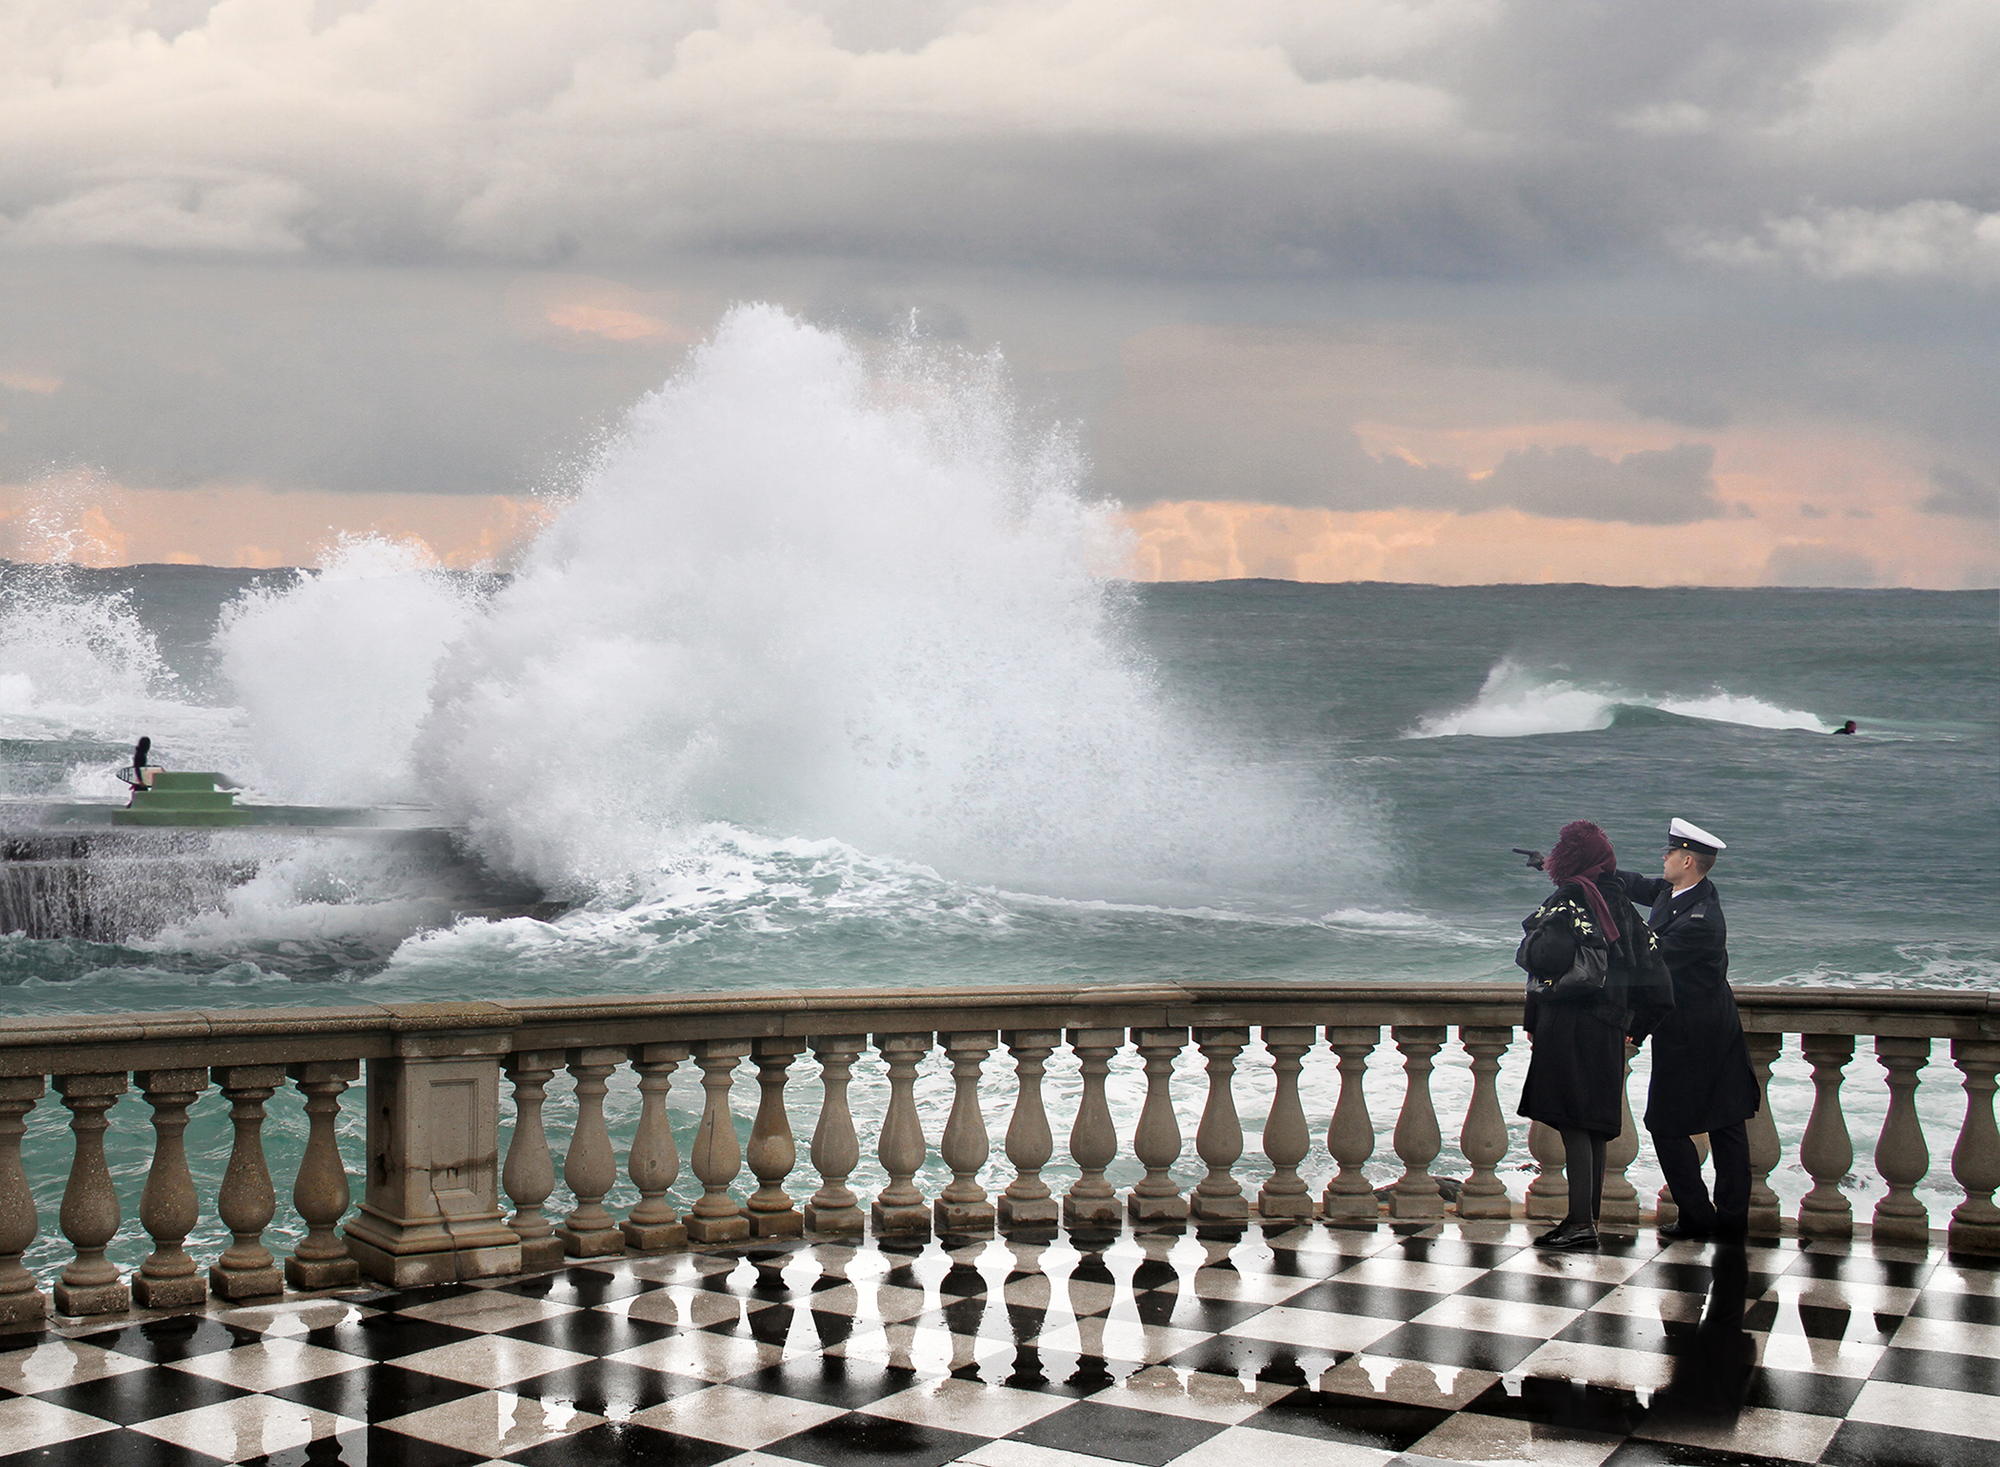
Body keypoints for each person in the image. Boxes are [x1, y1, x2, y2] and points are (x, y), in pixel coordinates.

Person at [1515, 821, 1675, 1251]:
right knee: (1596, 1125)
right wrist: (1636, 1027)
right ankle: (1589, 1219)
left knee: (1573, 1123)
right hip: (1611, 1027)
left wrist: (1532, 936)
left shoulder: (1571, 898)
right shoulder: (1620, 901)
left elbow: (1543, 959)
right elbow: (1658, 982)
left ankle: (1579, 1223)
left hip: (1570, 1024)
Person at [1621, 818, 1759, 1240]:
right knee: (1721, 1123)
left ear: (1686, 859)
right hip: (1690, 1028)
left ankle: (1712, 1219)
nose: (1661, 858)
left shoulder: (1701, 920)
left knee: (1701, 1124)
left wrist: (1637, 1028)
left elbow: (1654, 971)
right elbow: (1629, 884)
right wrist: (1570, 868)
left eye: (1668, 852)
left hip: (1702, 1034)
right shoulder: (1676, 892)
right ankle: (1712, 1218)